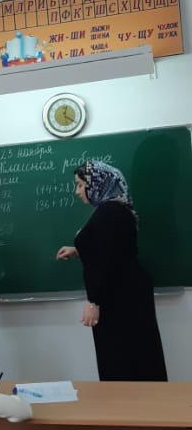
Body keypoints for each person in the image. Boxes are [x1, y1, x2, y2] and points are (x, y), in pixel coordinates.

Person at [56, 159, 167, 381]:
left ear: (97, 183)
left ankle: (129, 403)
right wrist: (78, 250)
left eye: (80, 185)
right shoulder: (113, 209)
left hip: (120, 299)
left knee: (123, 361)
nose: (77, 191)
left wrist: (93, 302)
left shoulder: (110, 212)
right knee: (132, 358)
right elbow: (109, 247)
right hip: (124, 294)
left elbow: (108, 260)